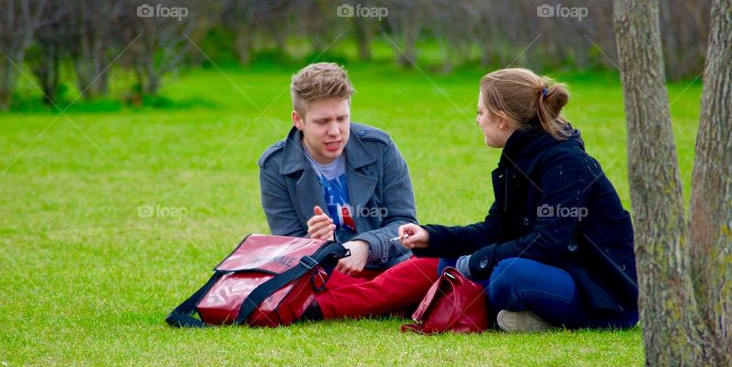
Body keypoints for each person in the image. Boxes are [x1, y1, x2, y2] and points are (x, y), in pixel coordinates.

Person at [398, 68, 639, 332]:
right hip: (556, 268)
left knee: (508, 275)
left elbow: (548, 242)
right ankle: (527, 317)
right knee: (449, 263)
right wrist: (432, 237)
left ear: (502, 120)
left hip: (599, 290)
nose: (477, 120)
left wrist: (481, 260)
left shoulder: (566, 163)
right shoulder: (518, 158)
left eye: (480, 112)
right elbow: (495, 229)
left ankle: (557, 318)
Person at [258, 62, 438, 320]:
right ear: (298, 120)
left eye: (342, 119)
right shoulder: (275, 164)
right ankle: (388, 302)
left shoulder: (380, 146)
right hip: (329, 274)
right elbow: (290, 247)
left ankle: (320, 309)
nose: (335, 131)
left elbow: (404, 222)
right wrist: (314, 243)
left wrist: (366, 245)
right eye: (322, 122)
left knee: (436, 263)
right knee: (292, 279)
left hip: (389, 266)